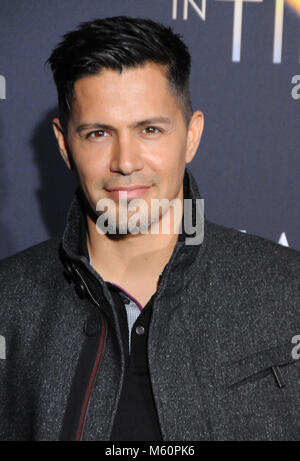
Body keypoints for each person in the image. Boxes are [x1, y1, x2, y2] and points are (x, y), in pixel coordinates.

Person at [1, 16, 300, 442]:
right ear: (65, 144)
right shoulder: (9, 306)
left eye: (150, 130)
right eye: (99, 133)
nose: (126, 161)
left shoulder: (287, 291)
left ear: (192, 135)